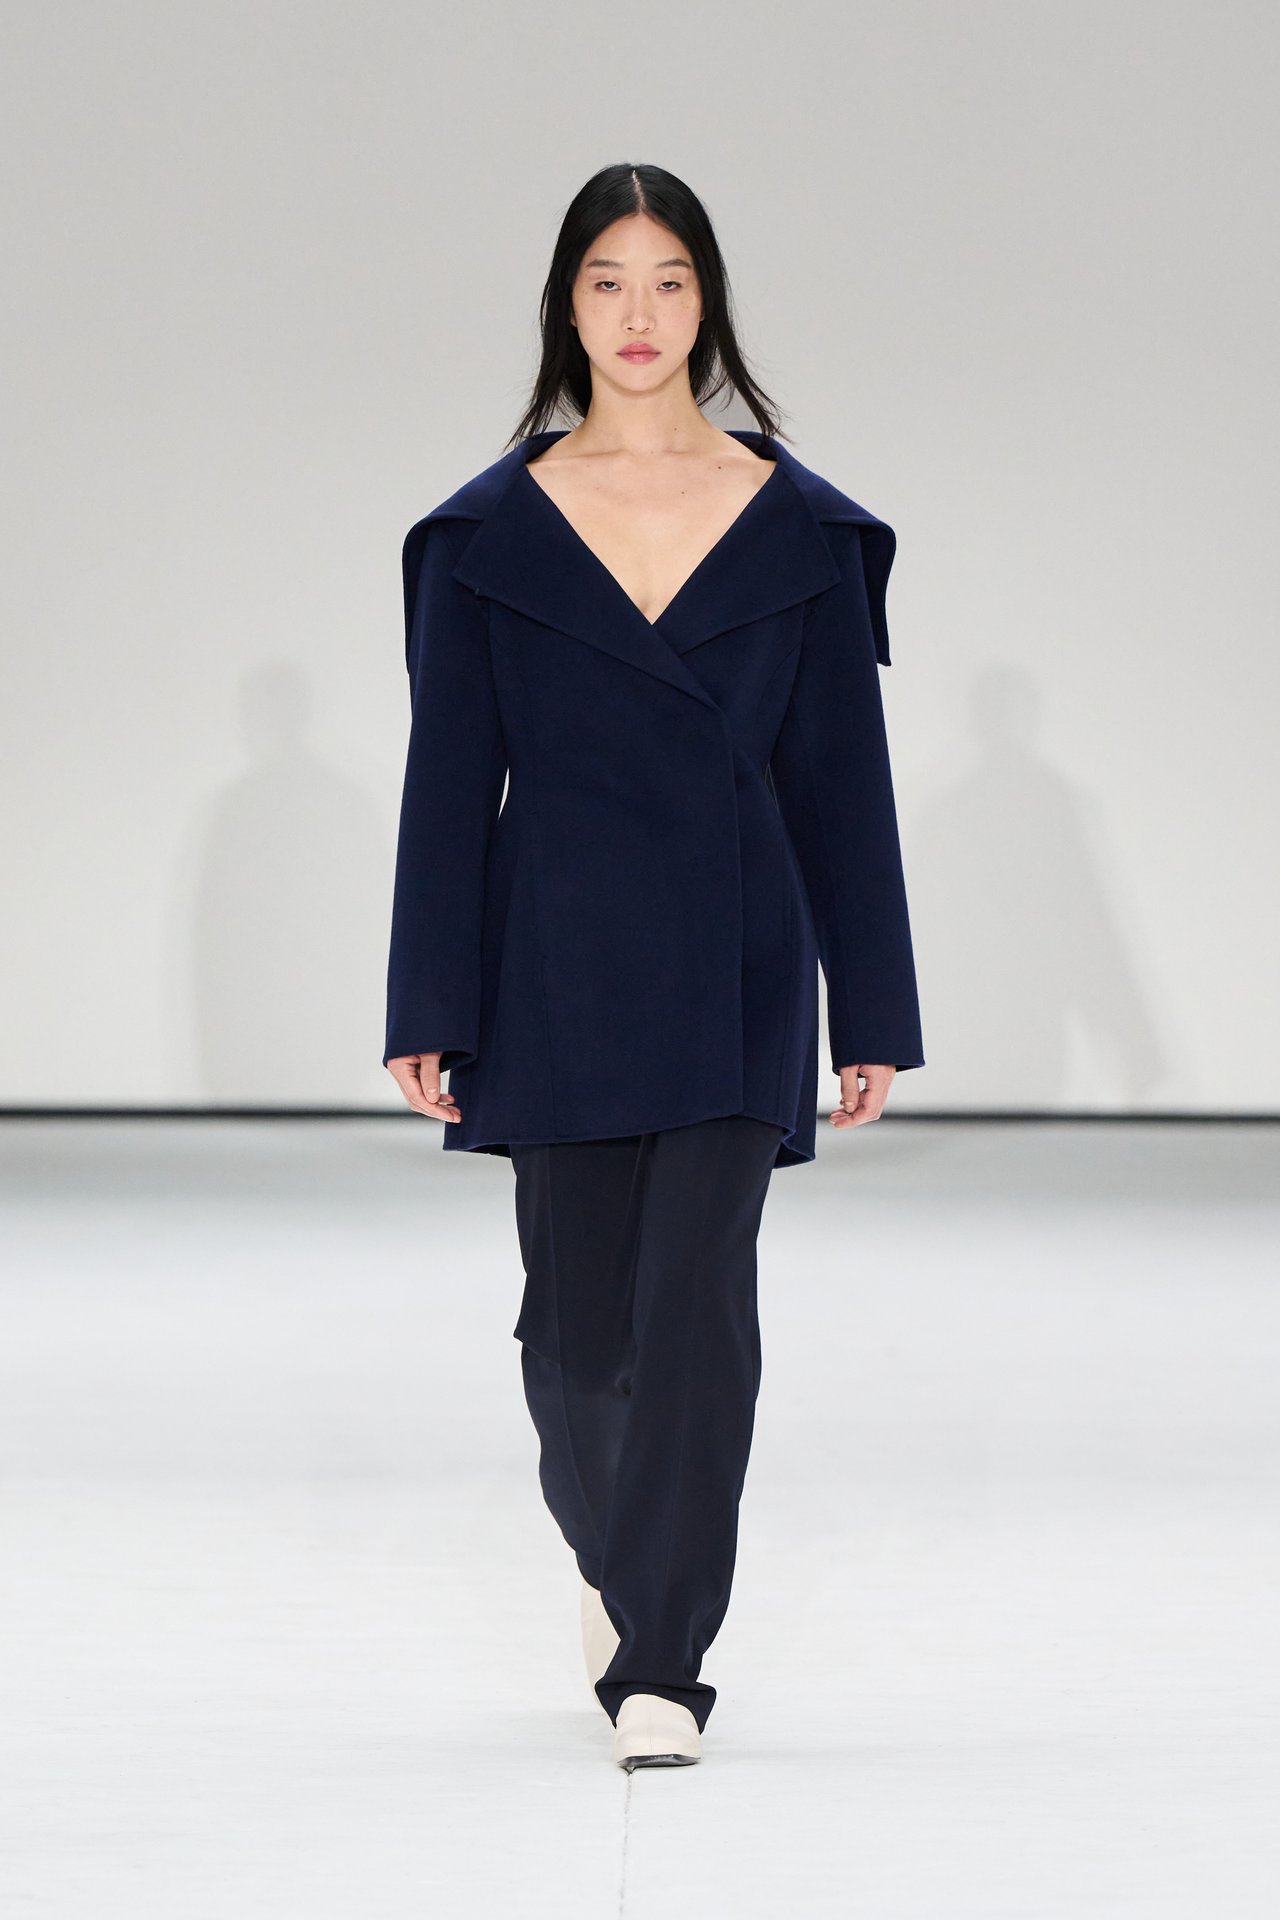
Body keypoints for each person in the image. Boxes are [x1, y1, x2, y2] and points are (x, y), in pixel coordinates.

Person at [383, 162, 925, 1770]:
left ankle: (664, 1664)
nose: (640, 313)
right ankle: (622, 1558)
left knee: (697, 1316)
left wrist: (872, 1007)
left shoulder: (796, 526)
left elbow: (842, 780)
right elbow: (447, 781)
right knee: (573, 1340)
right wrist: (429, 1001)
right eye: (608, 280)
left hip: (734, 951)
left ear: (709, 304)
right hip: (550, 953)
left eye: (670, 280)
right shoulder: (486, 534)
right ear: (566, 304)